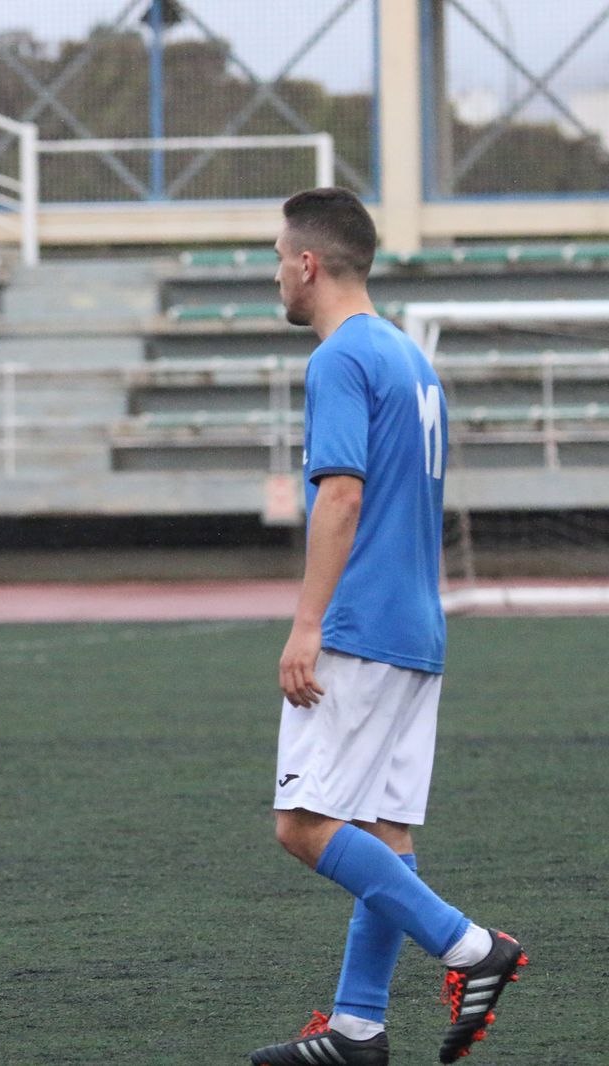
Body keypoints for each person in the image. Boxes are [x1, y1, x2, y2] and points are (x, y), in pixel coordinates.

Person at [249, 188, 527, 1066]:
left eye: (276, 259)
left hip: (361, 627)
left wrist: (306, 625)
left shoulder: (339, 358)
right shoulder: (411, 355)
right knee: (381, 837)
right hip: (419, 629)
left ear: (308, 263)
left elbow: (342, 493)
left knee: (303, 824)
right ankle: (358, 1030)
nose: (275, 277)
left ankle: (472, 947)